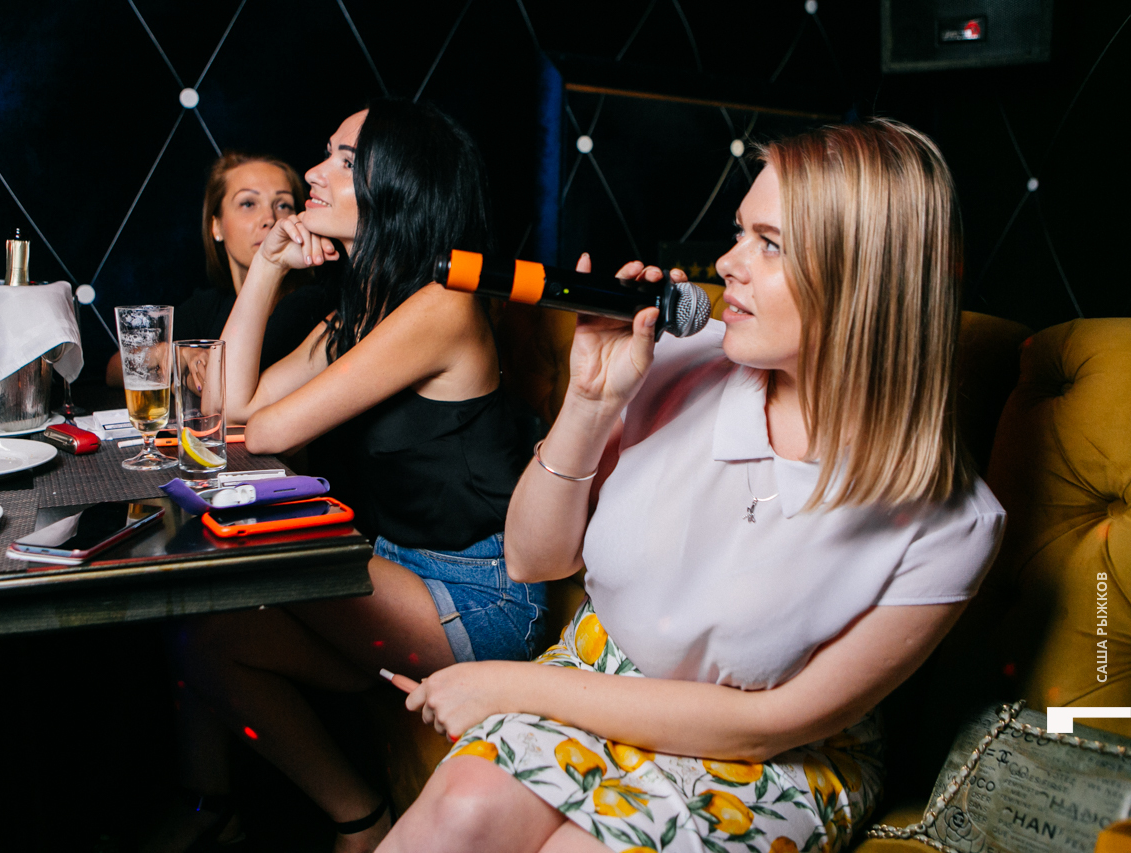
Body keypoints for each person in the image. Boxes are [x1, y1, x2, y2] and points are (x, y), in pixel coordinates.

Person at [382, 119, 1007, 853]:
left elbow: (772, 724)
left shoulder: (954, 523)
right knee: (462, 808)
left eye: (769, 244)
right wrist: (590, 402)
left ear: (868, 282)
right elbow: (531, 559)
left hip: (766, 757)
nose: (726, 263)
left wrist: (505, 686)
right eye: (740, 232)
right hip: (598, 672)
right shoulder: (679, 358)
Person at [157, 99, 547, 853]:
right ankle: (360, 818)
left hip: (478, 599)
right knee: (206, 636)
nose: (313, 172)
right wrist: (268, 266)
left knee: (248, 557)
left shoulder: (443, 307)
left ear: (396, 186)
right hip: (401, 578)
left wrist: (246, 418)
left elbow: (261, 432)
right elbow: (226, 407)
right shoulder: (362, 308)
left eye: (343, 159)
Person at [105, 152, 327, 386]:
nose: (270, 218)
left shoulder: (312, 304)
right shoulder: (210, 305)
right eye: (248, 204)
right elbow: (116, 369)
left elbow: (229, 390)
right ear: (217, 226)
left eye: (283, 205)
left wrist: (186, 379)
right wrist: (174, 354)